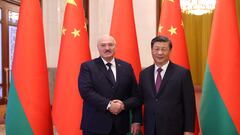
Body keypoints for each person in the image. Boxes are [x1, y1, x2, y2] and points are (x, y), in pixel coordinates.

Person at [78, 35, 141, 135]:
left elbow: (136, 96)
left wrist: (124, 106)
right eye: (103, 45)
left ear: (115, 47)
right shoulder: (88, 67)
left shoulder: (126, 67)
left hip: (120, 126)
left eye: (110, 45)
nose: (107, 48)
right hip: (95, 126)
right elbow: (86, 92)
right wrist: (109, 105)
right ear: (98, 47)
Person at [138, 35, 196, 135]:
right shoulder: (144, 74)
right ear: (152, 50)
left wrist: (189, 130)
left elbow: (189, 105)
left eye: (164, 49)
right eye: (156, 49)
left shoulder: (182, 73)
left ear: (170, 51)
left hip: (174, 128)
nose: (160, 53)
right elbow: (139, 100)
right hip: (150, 128)